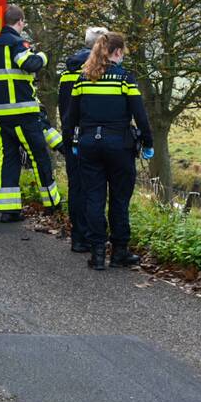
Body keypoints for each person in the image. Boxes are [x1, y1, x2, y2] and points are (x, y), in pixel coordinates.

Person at [62, 32, 154, 270]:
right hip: (119, 146)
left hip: (89, 145)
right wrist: (148, 143)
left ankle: (98, 253)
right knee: (119, 199)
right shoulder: (125, 79)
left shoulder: (83, 80)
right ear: (118, 52)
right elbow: (140, 115)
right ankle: (120, 251)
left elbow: (70, 117)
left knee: (94, 198)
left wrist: (70, 143)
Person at [0, 5, 61, 222]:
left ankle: (8, 210)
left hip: (1, 115)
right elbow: (29, 63)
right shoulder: (17, 43)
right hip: (23, 113)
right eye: (24, 23)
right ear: (20, 22)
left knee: (9, 159)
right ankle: (52, 203)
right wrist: (43, 57)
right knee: (39, 157)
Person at [59, 26, 108, 253]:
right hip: (93, 138)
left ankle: (78, 238)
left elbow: (65, 108)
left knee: (76, 188)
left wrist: (69, 139)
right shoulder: (99, 72)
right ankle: (92, 236)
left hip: (72, 138)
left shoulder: (67, 71)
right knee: (94, 190)